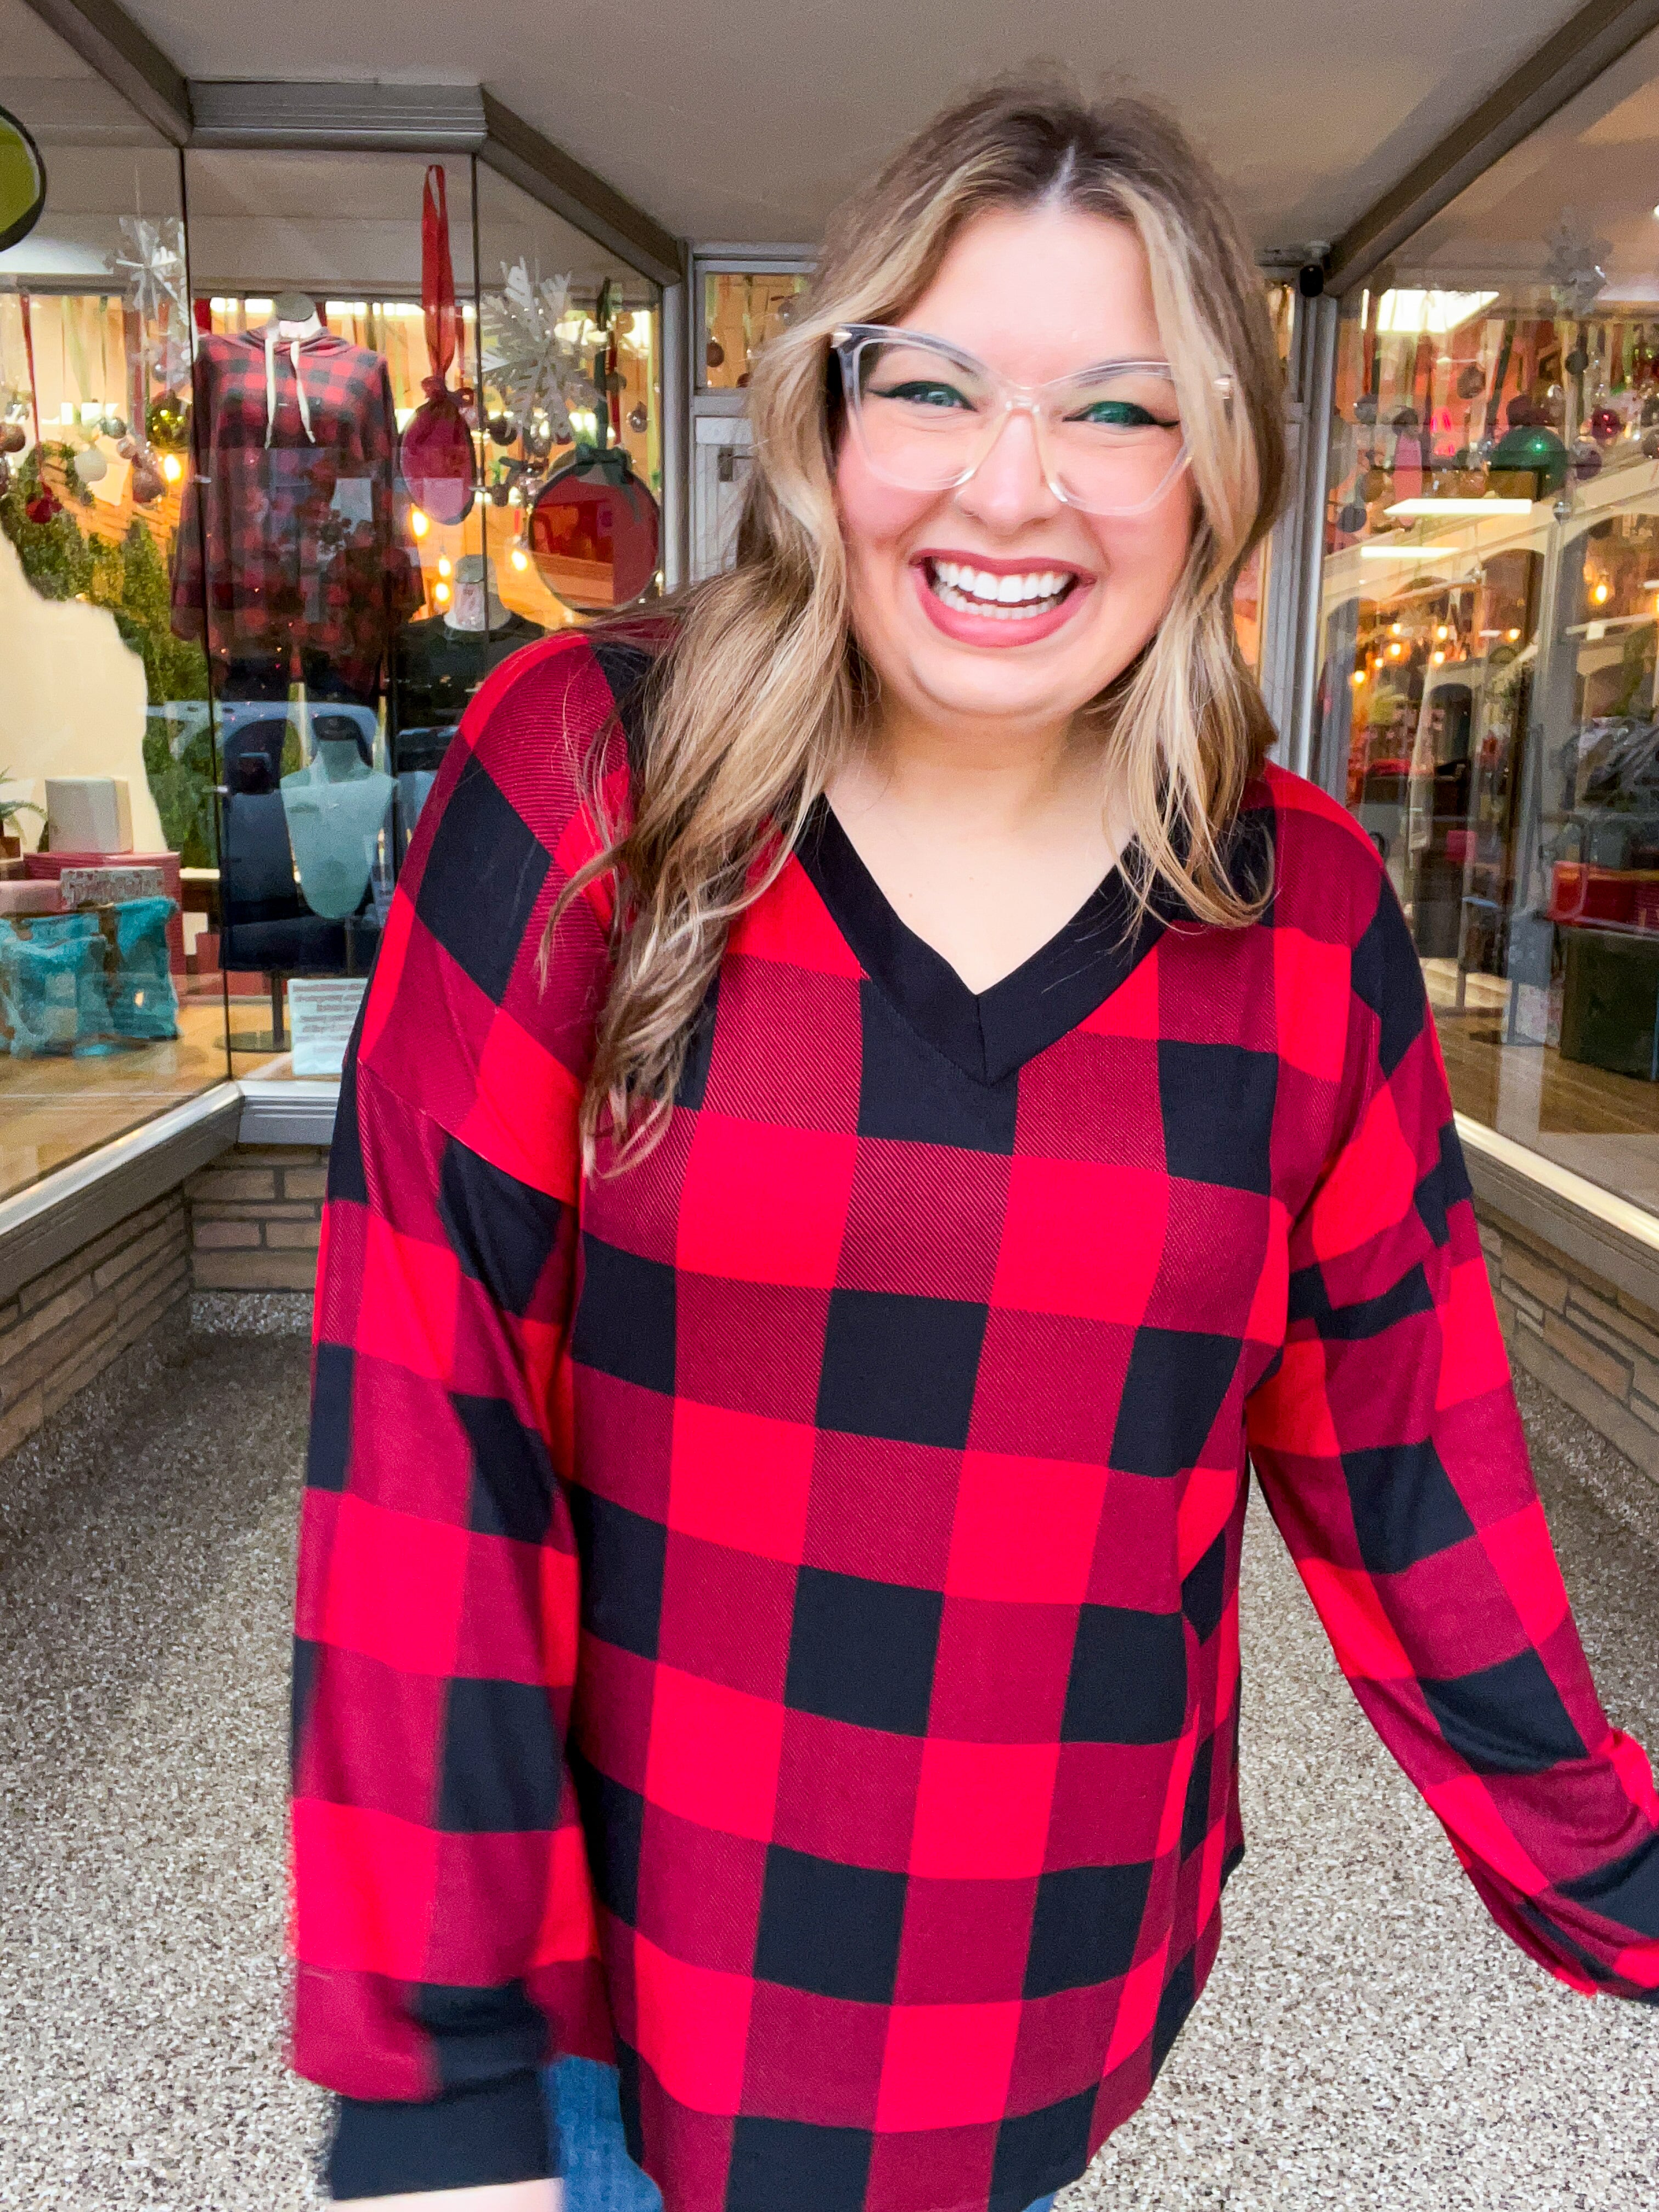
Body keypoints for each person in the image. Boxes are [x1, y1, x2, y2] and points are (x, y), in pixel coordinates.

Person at [290, 76, 1659, 2212]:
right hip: (617, 2048)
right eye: (932, 385)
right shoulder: (588, 780)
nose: (1010, 492)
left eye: (1117, 410)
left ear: (1217, 476)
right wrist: (441, 2071)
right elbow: (419, 1426)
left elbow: (1409, 1467)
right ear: (830, 428)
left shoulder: (1297, 912)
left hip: (1042, 2015)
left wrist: (1620, 1879)